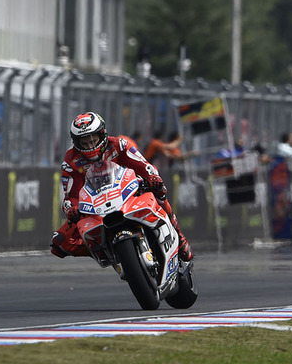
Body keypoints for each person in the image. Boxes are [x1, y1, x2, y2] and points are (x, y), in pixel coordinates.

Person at [50, 112, 193, 261]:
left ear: (103, 134)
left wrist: (153, 179)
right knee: (59, 243)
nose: (90, 146)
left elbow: (144, 166)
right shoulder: (70, 161)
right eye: (84, 143)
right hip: (96, 204)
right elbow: (71, 195)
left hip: (129, 192)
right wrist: (72, 209)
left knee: (159, 192)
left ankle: (178, 234)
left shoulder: (120, 144)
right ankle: (108, 251)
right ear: (76, 142)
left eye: (93, 140)